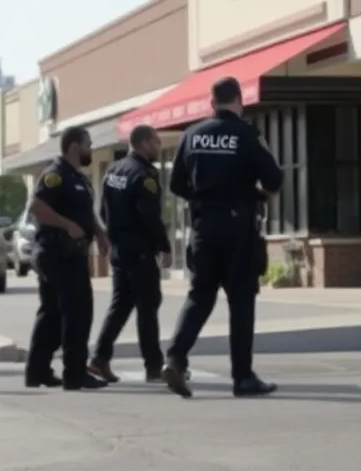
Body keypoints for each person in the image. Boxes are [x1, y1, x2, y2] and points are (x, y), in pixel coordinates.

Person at [162, 76, 284, 399]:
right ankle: (242, 377)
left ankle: (175, 358)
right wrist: (257, 194)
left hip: (204, 227)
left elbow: (175, 184)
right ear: (239, 101)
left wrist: (202, 197)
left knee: (200, 296)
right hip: (238, 227)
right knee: (241, 301)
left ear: (211, 103)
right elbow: (274, 177)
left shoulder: (191, 135)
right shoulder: (247, 135)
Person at [24, 126, 110, 391]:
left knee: (51, 314)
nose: (90, 148)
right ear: (74, 146)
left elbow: (85, 212)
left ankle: (37, 372)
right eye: (87, 143)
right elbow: (36, 206)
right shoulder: (55, 174)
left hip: (68, 253)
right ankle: (75, 374)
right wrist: (66, 225)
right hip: (57, 252)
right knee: (77, 313)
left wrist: (99, 233)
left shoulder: (78, 178)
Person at [88, 124, 171, 384]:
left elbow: (102, 212)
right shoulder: (144, 174)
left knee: (121, 305)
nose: (159, 146)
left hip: (119, 249)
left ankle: (99, 359)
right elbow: (150, 217)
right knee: (148, 306)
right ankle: (154, 367)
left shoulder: (113, 170)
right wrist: (163, 246)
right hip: (139, 251)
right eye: (156, 141)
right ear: (145, 143)